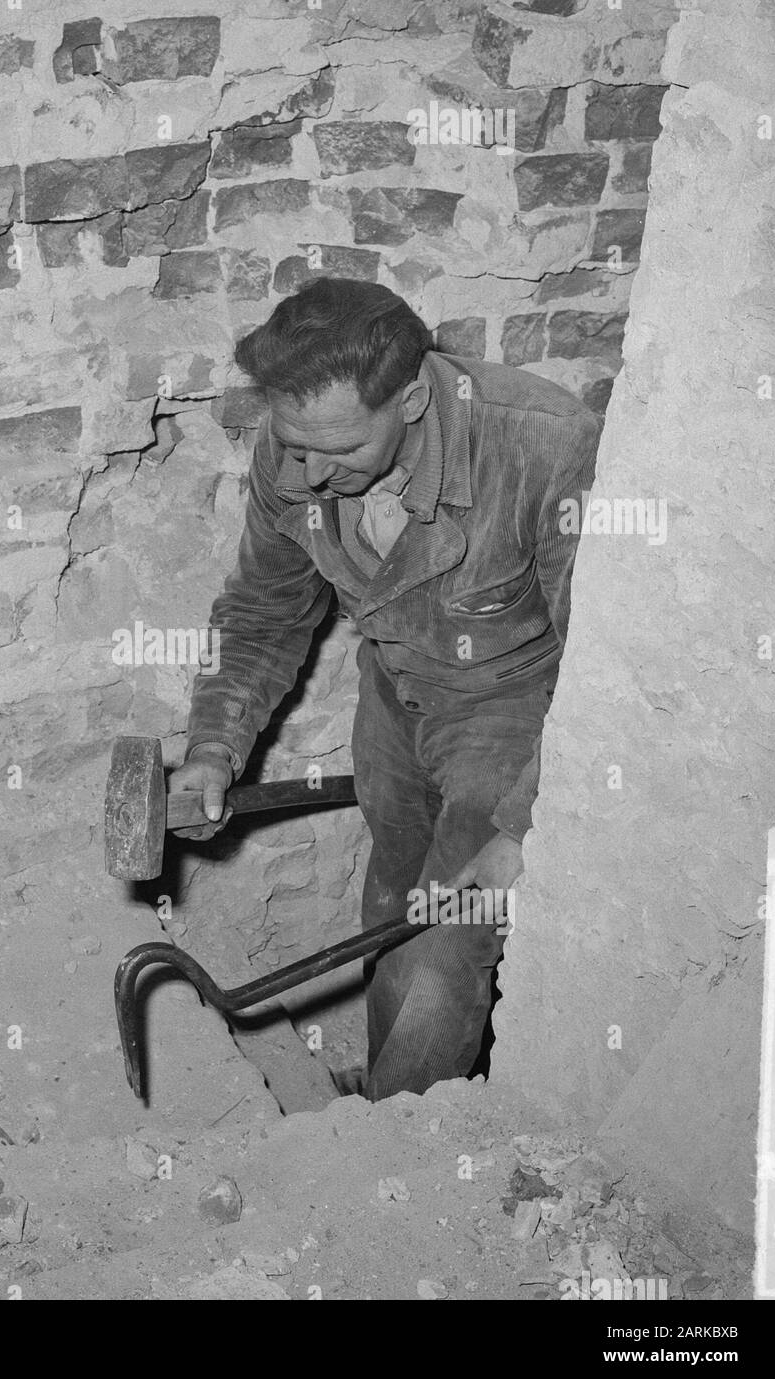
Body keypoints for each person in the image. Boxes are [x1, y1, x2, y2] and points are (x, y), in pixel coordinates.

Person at [171, 277, 600, 1102]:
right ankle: (387, 1090)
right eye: (295, 446)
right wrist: (211, 749)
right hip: (394, 687)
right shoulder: (298, 449)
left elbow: (601, 664)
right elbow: (264, 613)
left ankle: (399, 1140)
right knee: (391, 899)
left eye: (337, 450)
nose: (310, 473)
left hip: (512, 713)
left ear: (409, 401)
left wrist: (524, 821)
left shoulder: (542, 444)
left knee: (447, 938)